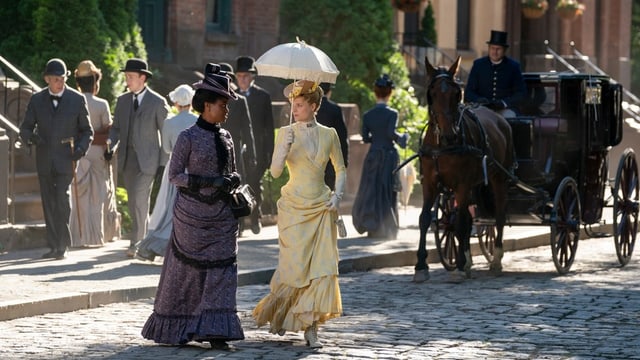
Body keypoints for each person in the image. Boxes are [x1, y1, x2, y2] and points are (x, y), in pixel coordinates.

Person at [141, 63, 244, 350]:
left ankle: (217, 331)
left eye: (226, 104)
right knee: (188, 275)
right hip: (192, 218)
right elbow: (175, 176)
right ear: (206, 106)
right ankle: (183, 326)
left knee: (222, 274)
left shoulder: (226, 137)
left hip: (222, 218)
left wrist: (232, 180)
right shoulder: (187, 137)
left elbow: (232, 172)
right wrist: (209, 180)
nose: (226, 110)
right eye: (222, 104)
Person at [252, 80, 346, 349]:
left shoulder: (329, 134)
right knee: (294, 267)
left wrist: (337, 197)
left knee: (321, 269)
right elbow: (276, 172)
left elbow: (340, 169)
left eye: (300, 105)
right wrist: (282, 147)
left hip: (321, 207)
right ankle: (281, 312)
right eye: (293, 105)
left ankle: (311, 327)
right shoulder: (286, 132)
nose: (294, 110)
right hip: (294, 208)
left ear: (314, 106)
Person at [19, 58, 93, 259]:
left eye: (62, 79)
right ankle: (53, 245)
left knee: (62, 199)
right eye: (56, 79)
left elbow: (87, 131)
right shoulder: (36, 99)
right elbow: (25, 128)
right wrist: (31, 137)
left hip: (67, 159)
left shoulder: (76, 99)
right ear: (47, 79)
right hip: (44, 158)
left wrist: (80, 149)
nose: (60, 83)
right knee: (48, 201)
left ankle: (63, 245)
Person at [105, 58, 170, 257]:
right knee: (134, 202)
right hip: (127, 159)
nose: (127, 81)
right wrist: (111, 144)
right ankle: (147, 240)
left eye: (131, 77)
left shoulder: (158, 102)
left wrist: (163, 163)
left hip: (148, 161)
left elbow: (165, 133)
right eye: (126, 77)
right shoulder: (122, 100)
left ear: (143, 78)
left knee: (140, 200)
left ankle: (137, 243)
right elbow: (115, 129)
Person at [134, 84, 197, 262]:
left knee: (167, 206)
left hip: (175, 167)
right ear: (191, 102)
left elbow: (167, 148)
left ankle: (161, 242)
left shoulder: (169, 122)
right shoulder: (198, 122)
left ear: (176, 103)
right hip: (193, 169)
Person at [351, 74, 408, 239]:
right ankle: (386, 228)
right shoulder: (392, 114)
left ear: (375, 93)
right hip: (388, 156)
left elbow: (365, 138)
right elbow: (391, 133)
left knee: (371, 190)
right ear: (389, 93)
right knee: (387, 190)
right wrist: (402, 138)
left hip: (373, 155)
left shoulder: (368, 115)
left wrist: (375, 139)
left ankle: (371, 226)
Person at [69, 60, 116, 248]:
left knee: (77, 196)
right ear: (95, 81)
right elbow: (108, 132)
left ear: (78, 82)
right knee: (98, 196)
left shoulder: (72, 101)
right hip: (97, 153)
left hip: (78, 152)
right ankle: (96, 237)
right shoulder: (101, 104)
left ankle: (77, 236)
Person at [234, 56, 275, 234]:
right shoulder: (232, 96)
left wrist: (269, 154)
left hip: (256, 149)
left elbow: (269, 127)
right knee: (238, 186)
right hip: (237, 149)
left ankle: (255, 217)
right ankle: (240, 222)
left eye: (246, 76)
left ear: (252, 77)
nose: (242, 79)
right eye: (239, 75)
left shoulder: (262, 96)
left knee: (254, 184)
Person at [219, 62, 257, 237]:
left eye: (226, 77)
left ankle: (238, 224)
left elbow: (247, 129)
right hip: (214, 150)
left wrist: (252, 155)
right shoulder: (210, 99)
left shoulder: (240, 101)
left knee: (235, 188)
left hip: (234, 151)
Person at [464, 30, 527, 118]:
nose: (495, 52)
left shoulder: (513, 67)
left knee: (509, 118)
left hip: (505, 110)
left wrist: (504, 103)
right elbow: (469, 92)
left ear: (504, 50)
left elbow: (521, 93)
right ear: (489, 48)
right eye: (492, 48)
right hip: (481, 109)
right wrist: (479, 100)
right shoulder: (478, 65)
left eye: (498, 49)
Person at [316, 82, 349, 190]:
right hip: (330, 157)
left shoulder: (311, 107)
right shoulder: (335, 109)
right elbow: (342, 137)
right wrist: (344, 160)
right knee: (328, 191)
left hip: (312, 156)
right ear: (329, 92)